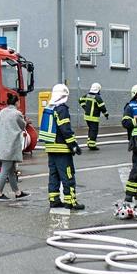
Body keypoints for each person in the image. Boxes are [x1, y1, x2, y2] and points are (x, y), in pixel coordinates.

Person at [39, 83, 84, 211]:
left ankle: (54, 200)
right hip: (62, 149)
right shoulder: (62, 109)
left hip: (50, 147)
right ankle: (71, 201)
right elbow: (65, 129)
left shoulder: (49, 107)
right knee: (67, 175)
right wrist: (74, 145)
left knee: (54, 175)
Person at [0, 92, 28, 200]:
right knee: (5, 170)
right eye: (19, 101)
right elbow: (22, 126)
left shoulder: (3, 112)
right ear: (16, 102)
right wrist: (26, 122)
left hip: (2, 144)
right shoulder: (17, 114)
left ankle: (17, 192)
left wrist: (0, 136)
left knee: (11, 170)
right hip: (11, 146)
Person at [78, 83, 108, 151]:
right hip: (94, 117)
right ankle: (92, 145)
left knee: (90, 129)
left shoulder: (87, 95)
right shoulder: (97, 97)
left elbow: (80, 100)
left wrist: (84, 107)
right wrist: (106, 114)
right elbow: (102, 107)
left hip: (87, 117)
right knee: (94, 130)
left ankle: (89, 142)